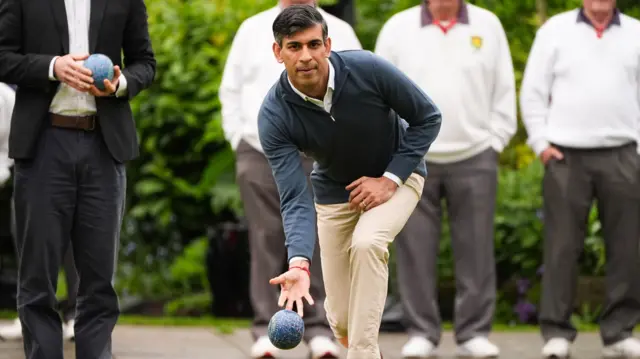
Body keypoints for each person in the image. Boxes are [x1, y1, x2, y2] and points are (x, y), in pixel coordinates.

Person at [258, 5, 442, 359]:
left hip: (398, 176)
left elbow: (427, 117)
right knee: (342, 321)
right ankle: (359, 344)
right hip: (335, 194)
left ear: (328, 45)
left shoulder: (367, 69)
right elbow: (294, 197)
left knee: (368, 243)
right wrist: (298, 262)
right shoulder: (274, 115)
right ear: (278, 52)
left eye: (314, 44)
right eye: (294, 47)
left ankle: (364, 354)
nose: (306, 56)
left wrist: (390, 179)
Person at [0, 0, 156, 357]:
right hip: (42, 145)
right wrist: (53, 67)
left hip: (104, 145)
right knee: (37, 280)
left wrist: (120, 83)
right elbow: (3, 56)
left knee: (99, 283)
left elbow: (145, 63)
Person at [219, 1, 361, 357]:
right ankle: (265, 328)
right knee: (266, 237)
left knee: (322, 238)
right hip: (258, 151)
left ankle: (319, 330)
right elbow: (230, 89)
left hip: (321, 153)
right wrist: (238, 137)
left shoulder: (339, 30)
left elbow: (358, 90)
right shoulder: (252, 29)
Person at [374, 0, 516, 357]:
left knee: (477, 248)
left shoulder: (488, 25)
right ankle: (421, 331)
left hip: (475, 154)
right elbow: (378, 94)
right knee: (414, 250)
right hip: (413, 158)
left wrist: (496, 140)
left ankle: (473, 334)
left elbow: (504, 88)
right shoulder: (397, 28)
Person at [520, 0, 640, 357]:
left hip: (623, 153)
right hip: (565, 155)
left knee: (627, 247)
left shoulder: (636, 32)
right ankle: (557, 332)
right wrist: (540, 142)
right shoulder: (554, 31)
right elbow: (533, 92)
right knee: (561, 246)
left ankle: (619, 332)